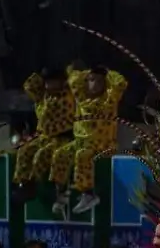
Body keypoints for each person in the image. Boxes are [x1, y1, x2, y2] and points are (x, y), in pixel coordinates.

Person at [51, 65, 128, 216]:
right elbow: (73, 79)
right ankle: (61, 194)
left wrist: (107, 71)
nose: (94, 84)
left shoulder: (109, 98)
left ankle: (88, 194)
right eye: (91, 80)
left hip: (104, 144)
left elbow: (121, 83)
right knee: (60, 153)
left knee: (82, 155)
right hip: (81, 142)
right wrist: (89, 72)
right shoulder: (81, 97)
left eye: (99, 81)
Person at [13, 67, 76, 190]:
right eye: (47, 82)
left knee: (42, 155)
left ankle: (33, 183)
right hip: (43, 137)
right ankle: (20, 183)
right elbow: (29, 86)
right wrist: (39, 73)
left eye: (53, 82)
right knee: (24, 151)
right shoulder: (44, 96)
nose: (49, 85)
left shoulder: (69, 95)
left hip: (62, 139)